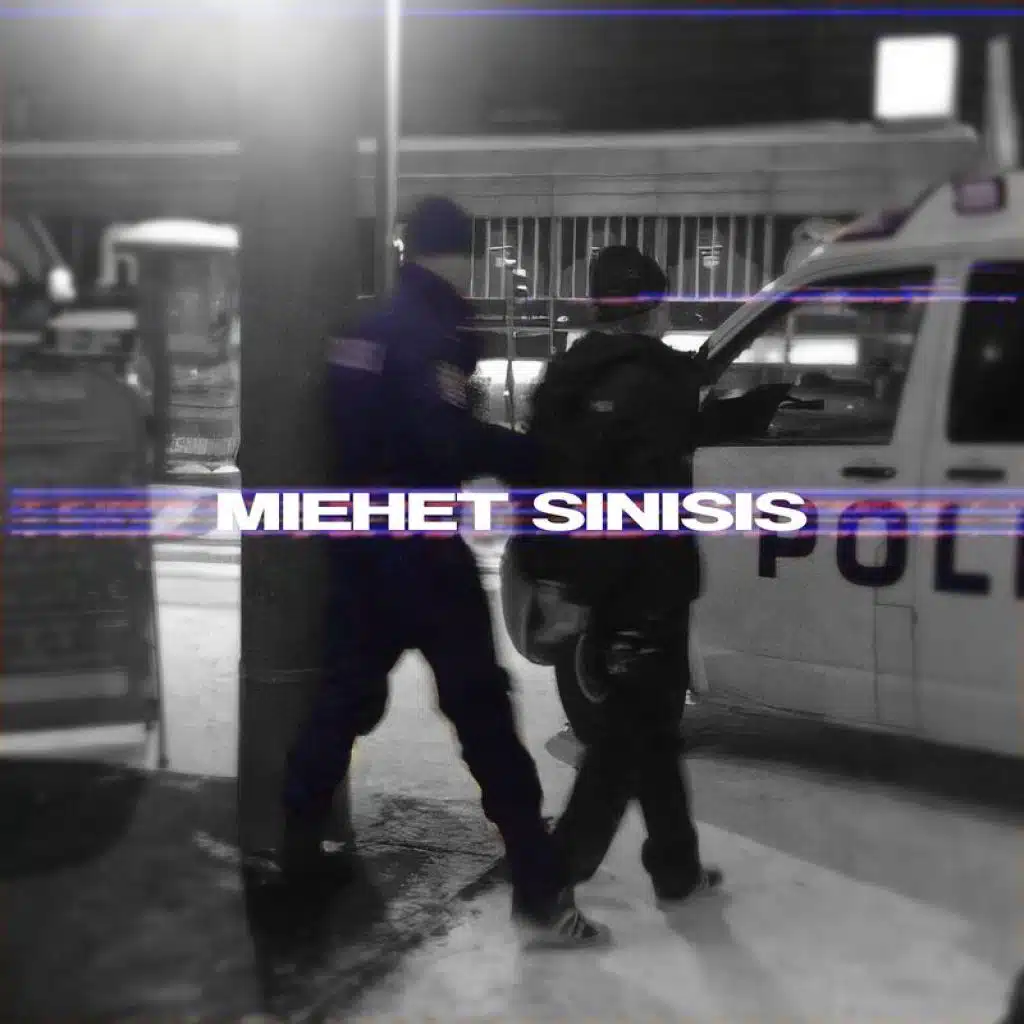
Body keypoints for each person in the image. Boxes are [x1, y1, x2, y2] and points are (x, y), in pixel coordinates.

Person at [281, 195, 608, 949]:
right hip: (423, 552)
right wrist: (529, 454)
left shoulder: (359, 327)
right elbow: (442, 440)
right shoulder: (436, 329)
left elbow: (347, 429)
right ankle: (537, 888)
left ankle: (294, 853)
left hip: (357, 545)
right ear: (462, 255)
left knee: (339, 703)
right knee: (484, 713)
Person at [521, 245, 790, 904]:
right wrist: (757, 407)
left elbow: (549, 475)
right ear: (650, 307)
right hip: (645, 584)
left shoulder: (567, 377)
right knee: (623, 742)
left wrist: (557, 580)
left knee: (654, 730)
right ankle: (548, 886)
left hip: (600, 578)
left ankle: (676, 867)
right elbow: (664, 445)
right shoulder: (654, 377)